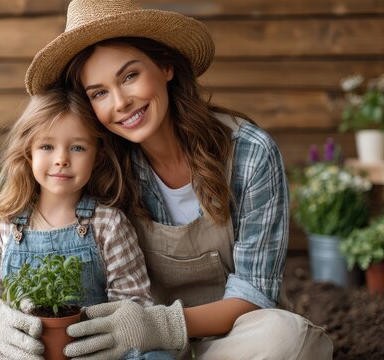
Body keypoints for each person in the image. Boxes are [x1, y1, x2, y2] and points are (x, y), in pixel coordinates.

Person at [23, 0, 334, 359]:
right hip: (143, 349)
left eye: (129, 76)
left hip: (235, 339)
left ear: (166, 65)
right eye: (99, 93)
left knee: (288, 336)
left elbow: (254, 292)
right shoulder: (100, 163)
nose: (121, 102)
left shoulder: (249, 154)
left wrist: (158, 326)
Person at [0, 88, 173, 360]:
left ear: (97, 155)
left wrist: (112, 341)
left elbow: (134, 304)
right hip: (19, 355)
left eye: (77, 147)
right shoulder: (5, 225)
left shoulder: (108, 223)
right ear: (28, 153)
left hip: (90, 354)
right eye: (47, 146)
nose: (61, 159)